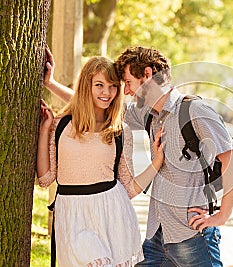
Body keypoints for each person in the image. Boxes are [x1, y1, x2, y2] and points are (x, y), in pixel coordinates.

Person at [43, 47, 233, 267]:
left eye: (128, 82)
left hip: (191, 235)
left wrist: (221, 216)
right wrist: (50, 83)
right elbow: (92, 102)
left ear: (147, 75)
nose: (126, 91)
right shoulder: (149, 114)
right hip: (157, 236)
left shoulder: (194, 110)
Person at [37, 56, 165, 266]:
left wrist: (157, 162)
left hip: (112, 213)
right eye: (99, 85)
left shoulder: (120, 131)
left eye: (113, 86)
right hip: (73, 214)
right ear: (86, 85)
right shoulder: (60, 125)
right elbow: (45, 178)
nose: (106, 93)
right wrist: (44, 130)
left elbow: (128, 188)